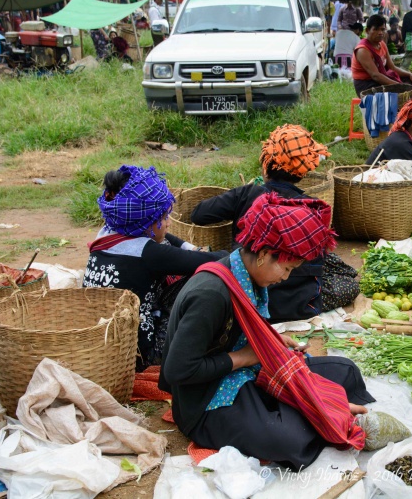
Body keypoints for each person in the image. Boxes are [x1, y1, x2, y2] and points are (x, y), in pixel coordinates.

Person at [160, 194, 376, 470]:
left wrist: (270, 340)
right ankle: (314, 411)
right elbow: (177, 370)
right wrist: (247, 357)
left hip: (249, 372)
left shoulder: (247, 274)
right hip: (208, 399)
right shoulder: (211, 294)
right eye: (286, 268)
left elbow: (240, 331)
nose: (285, 277)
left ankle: (310, 408)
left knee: (346, 372)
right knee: (290, 441)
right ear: (263, 255)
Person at [191, 125, 359, 320]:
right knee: (347, 279)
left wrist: (238, 199)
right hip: (301, 303)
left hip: (248, 298)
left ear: (266, 164)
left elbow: (199, 214)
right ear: (302, 172)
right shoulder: (314, 209)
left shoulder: (248, 194)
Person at [84, 165, 228, 371]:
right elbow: (216, 260)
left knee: (167, 247)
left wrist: (192, 247)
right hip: (139, 356)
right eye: (162, 218)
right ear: (145, 223)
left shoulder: (108, 232)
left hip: (103, 345)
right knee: (205, 278)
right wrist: (211, 253)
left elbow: (165, 239)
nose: (168, 222)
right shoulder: (148, 253)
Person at [352, 15, 412, 96]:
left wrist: (409, 74)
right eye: (376, 29)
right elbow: (375, 75)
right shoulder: (363, 50)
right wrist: (399, 86)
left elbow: (392, 67)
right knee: (401, 90)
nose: (380, 33)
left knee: (410, 82)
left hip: (380, 79)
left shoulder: (382, 44)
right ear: (367, 30)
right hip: (367, 85)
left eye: (382, 29)